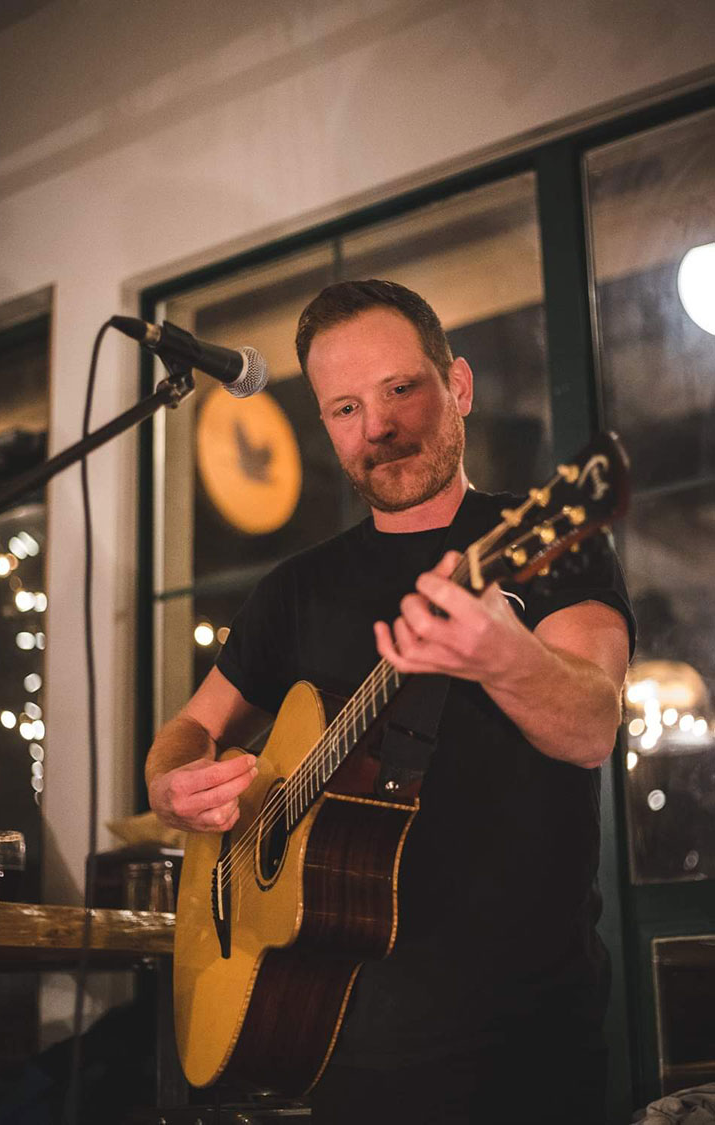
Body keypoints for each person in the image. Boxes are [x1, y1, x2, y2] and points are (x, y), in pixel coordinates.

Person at [146, 279, 634, 1124]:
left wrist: (502, 656)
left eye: (401, 388)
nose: (377, 425)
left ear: (461, 387)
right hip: (332, 1040)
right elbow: (189, 727)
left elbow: (592, 725)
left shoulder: (544, 535)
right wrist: (170, 780)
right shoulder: (294, 590)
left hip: (525, 1047)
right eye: (344, 408)